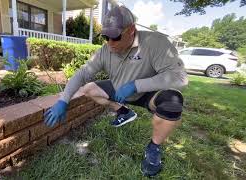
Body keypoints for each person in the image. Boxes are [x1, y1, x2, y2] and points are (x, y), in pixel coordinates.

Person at [44, 5, 188, 177]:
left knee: (173, 102)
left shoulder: (155, 42)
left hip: (149, 93)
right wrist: (63, 100)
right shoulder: (105, 51)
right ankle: (124, 112)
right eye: (105, 37)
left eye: (115, 37)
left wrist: (136, 85)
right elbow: (82, 73)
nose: (110, 43)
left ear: (131, 30)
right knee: (89, 88)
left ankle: (154, 148)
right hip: (120, 90)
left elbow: (180, 78)